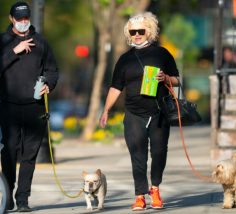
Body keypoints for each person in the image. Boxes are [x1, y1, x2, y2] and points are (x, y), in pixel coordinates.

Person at [99, 12, 179, 211]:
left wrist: (165, 78)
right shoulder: (125, 59)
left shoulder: (162, 54)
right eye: (132, 32)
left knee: (159, 152)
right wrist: (106, 110)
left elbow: (177, 80)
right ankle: (139, 195)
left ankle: (155, 189)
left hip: (158, 112)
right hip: (134, 113)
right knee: (138, 155)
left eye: (140, 31)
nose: (136, 35)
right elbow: (115, 86)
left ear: (149, 31)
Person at [0, 1, 58, 212]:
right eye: (19, 19)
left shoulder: (41, 42)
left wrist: (48, 85)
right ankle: (7, 196)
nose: (23, 22)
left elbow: (53, 70)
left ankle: (23, 200)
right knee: (9, 152)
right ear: (11, 19)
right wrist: (14, 51)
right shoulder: (1, 41)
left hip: (35, 107)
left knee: (29, 154)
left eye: (26, 18)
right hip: (9, 107)